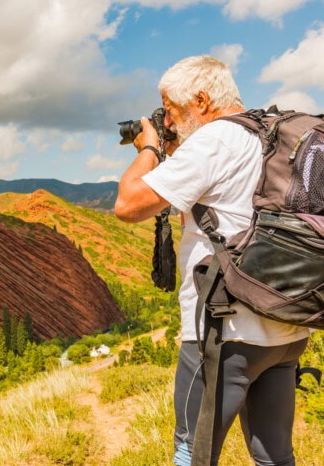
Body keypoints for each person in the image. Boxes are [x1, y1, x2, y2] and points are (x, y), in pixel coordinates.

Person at [114, 55, 310, 466]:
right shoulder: (269, 135)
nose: (167, 122)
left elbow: (128, 205)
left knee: (192, 452)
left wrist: (150, 146)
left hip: (225, 334)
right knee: (275, 456)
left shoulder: (214, 141)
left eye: (169, 109)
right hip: (287, 329)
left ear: (201, 100)